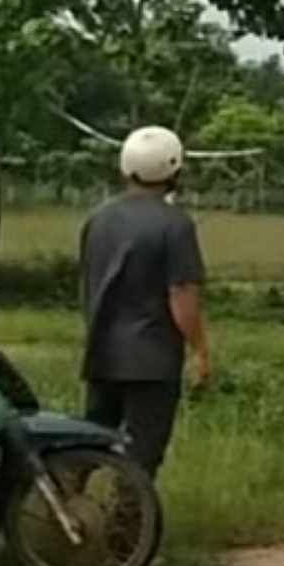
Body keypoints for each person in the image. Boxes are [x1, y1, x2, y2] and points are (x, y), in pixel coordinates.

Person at [78, 126, 210, 479]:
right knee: (141, 456)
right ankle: (127, 530)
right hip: (152, 361)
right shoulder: (176, 225)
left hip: (102, 351)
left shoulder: (97, 220)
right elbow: (182, 296)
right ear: (173, 170)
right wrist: (200, 351)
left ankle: (58, 513)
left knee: (86, 446)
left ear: (125, 168)